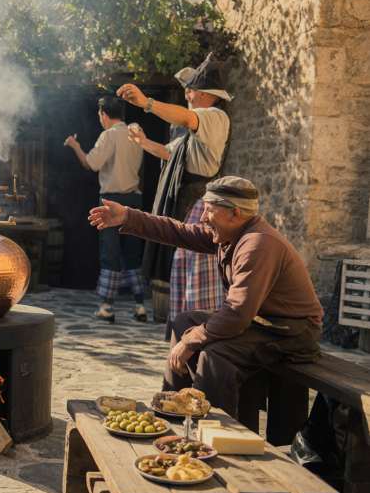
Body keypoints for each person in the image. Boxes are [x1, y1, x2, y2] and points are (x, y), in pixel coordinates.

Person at [88, 176, 323, 418]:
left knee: (215, 355)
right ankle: (173, 412)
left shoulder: (257, 245)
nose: (202, 218)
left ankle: (214, 430)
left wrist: (190, 342)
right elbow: (179, 231)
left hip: (292, 332)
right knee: (183, 323)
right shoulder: (233, 234)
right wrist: (128, 216)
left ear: (234, 213)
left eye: (209, 211)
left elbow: (236, 315)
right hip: (262, 323)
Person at [118, 53, 231, 327]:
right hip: (185, 202)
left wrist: (147, 103)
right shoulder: (192, 128)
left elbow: (186, 118)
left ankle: (199, 330)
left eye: (190, 89)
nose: (187, 93)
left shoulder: (214, 117)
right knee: (181, 268)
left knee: (195, 274)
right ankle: (183, 328)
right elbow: (169, 154)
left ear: (204, 93)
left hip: (200, 204)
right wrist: (143, 141)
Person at [64, 96, 147, 322]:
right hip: (134, 199)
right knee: (132, 252)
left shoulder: (108, 135)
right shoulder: (135, 130)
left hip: (111, 200)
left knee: (110, 252)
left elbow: (91, 163)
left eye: (100, 115)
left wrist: (75, 146)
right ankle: (140, 305)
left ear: (104, 114)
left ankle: (107, 307)